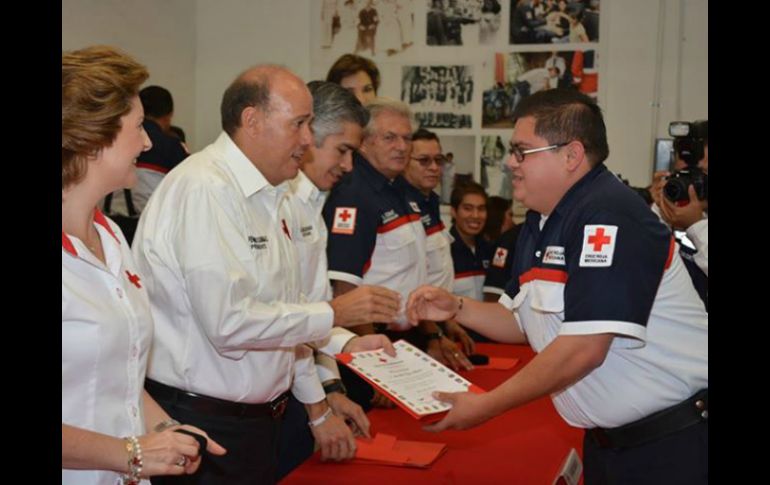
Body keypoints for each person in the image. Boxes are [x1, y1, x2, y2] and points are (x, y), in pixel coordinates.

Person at [407, 89, 708, 485]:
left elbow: (583, 350)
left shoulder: (609, 216)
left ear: (571, 155)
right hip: (611, 446)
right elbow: (525, 321)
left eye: (521, 151)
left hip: (673, 446)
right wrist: (457, 308)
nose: (510, 163)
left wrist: (487, 405)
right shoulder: (541, 221)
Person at [132, 65, 402, 485]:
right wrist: (334, 316)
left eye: (310, 125)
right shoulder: (205, 189)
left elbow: (284, 312)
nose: (308, 140)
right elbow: (229, 322)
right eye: (299, 124)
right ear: (252, 121)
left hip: (257, 422)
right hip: (204, 424)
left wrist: (344, 340)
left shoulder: (272, 194)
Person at [62, 45, 225, 485]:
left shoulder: (112, 237)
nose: (149, 142)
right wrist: (130, 452)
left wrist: (165, 431)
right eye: (138, 128)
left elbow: (122, 376)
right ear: (95, 137)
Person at [277, 81, 396, 479]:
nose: (348, 166)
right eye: (342, 151)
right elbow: (286, 322)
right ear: (309, 137)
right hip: (275, 395)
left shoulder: (312, 205)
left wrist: (333, 389)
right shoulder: (283, 203)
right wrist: (319, 407)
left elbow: (311, 316)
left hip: (301, 385)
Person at [323, 98, 472, 409]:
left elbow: (411, 278)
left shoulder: (402, 190)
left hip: (406, 341)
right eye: (390, 137)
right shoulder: (355, 195)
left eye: (406, 138)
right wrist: (374, 364)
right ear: (364, 142)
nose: (402, 146)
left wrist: (431, 335)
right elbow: (344, 292)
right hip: (369, 347)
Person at [402, 128, 475, 357]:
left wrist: (447, 322)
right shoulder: (401, 207)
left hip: (435, 321)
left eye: (438, 160)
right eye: (424, 161)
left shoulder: (430, 201)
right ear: (404, 161)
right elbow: (411, 284)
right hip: (412, 330)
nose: (434, 167)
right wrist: (434, 336)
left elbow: (435, 273)